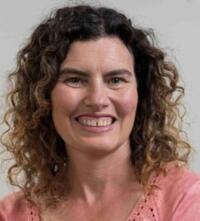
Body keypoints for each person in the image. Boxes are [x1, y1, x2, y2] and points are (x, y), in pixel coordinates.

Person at [0, 4, 200, 221]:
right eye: (75, 80)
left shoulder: (186, 199)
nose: (97, 100)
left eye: (115, 80)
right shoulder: (10, 214)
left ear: (140, 94)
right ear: (43, 96)